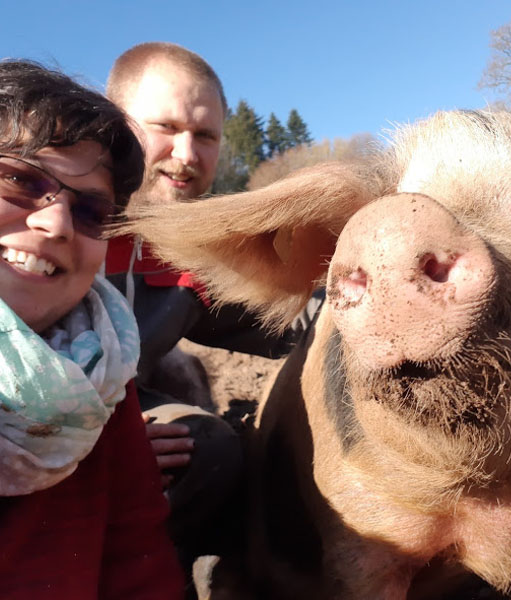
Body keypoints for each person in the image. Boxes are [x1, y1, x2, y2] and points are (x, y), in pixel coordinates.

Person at [0, 60, 183, 599]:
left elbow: (138, 563)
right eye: (19, 178)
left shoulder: (99, 367)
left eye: (92, 210)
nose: (55, 224)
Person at [104, 42, 311, 578]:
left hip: (121, 412)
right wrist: (92, 441)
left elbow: (283, 317)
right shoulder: (49, 215)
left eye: (205, 136)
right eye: (166, 127)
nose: (187, 154)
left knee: (208, 450)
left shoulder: (191, 255)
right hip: (4, 415)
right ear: (112, 122)